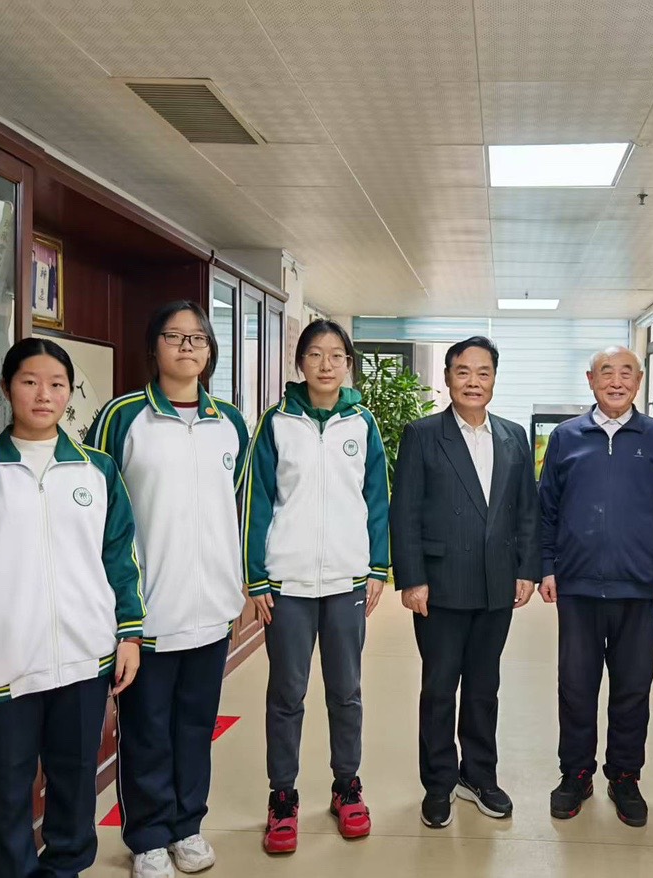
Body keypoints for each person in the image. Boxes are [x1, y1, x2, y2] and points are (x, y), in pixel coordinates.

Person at [0, 338, 144, 878]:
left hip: (85, 661)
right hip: (2, 668)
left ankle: (66, 869)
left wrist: (129, 634)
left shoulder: (98, 470)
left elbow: (121, 559)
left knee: (75, 789)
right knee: (6, 794)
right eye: (29, 382)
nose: (43, 395)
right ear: (6, 388)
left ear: (69, 393)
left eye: (56, 384)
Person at [85, 301, 249, 878]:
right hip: (148, 610)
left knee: (196, 727)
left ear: (210, 351)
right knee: (146, 729)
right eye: (174, 337)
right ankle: (149, 837)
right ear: (153, 347)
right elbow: (97, 509)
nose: (186, 347)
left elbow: (234, 501)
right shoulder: (123, 416)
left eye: (197, 338)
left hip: (212, 608)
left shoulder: (230, 422)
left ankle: (187, 826)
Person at [239, 319, 390, 854]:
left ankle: (346, 785)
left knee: (346, 691)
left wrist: (377, 567)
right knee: (287, 693)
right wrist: (256, 575)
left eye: (336, 355)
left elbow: (377, 499)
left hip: (346, 579)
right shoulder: (276, 422)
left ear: (348, 363)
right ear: (299, 362)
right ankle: (282, 795)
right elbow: (256, 500)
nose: (326, 365)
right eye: (315, 354)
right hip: (288, 582)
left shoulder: (362, 423)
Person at [390, 336, 540, 829]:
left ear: (494, 378)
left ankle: (479, 775)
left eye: (483, 372)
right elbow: (405, 512)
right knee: (439, 688)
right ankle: (438, 782)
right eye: (463, 372)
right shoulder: (422, 434)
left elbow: (527, 510)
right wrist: (412, 579)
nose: (473, 382)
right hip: (440, 584)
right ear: (448, 377)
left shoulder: (513, 436)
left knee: (483, 687)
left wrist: (526, 568)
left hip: (496, 583)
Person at [538, 346, 653, 828]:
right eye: (607, 372)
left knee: (632, 688)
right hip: (578, 588)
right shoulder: (565, 437)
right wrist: (546, 566)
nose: (616, 381)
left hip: (638, 588)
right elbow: (546, 508)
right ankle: (576, 773)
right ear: (591, 380)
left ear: (639, 381)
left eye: (627, 373)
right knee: (575, 688)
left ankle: (624, 776)